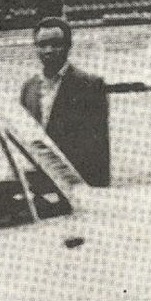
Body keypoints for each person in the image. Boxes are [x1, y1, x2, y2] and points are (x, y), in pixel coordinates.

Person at [20, 16, 111, 187]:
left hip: (77, 181)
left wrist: (99, 190)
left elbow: (99, 146)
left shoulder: (90, 85)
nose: (48, 50)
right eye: (42, 45)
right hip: (40, 182)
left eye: (55, 44)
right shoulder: (28, 88)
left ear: (68, 46)